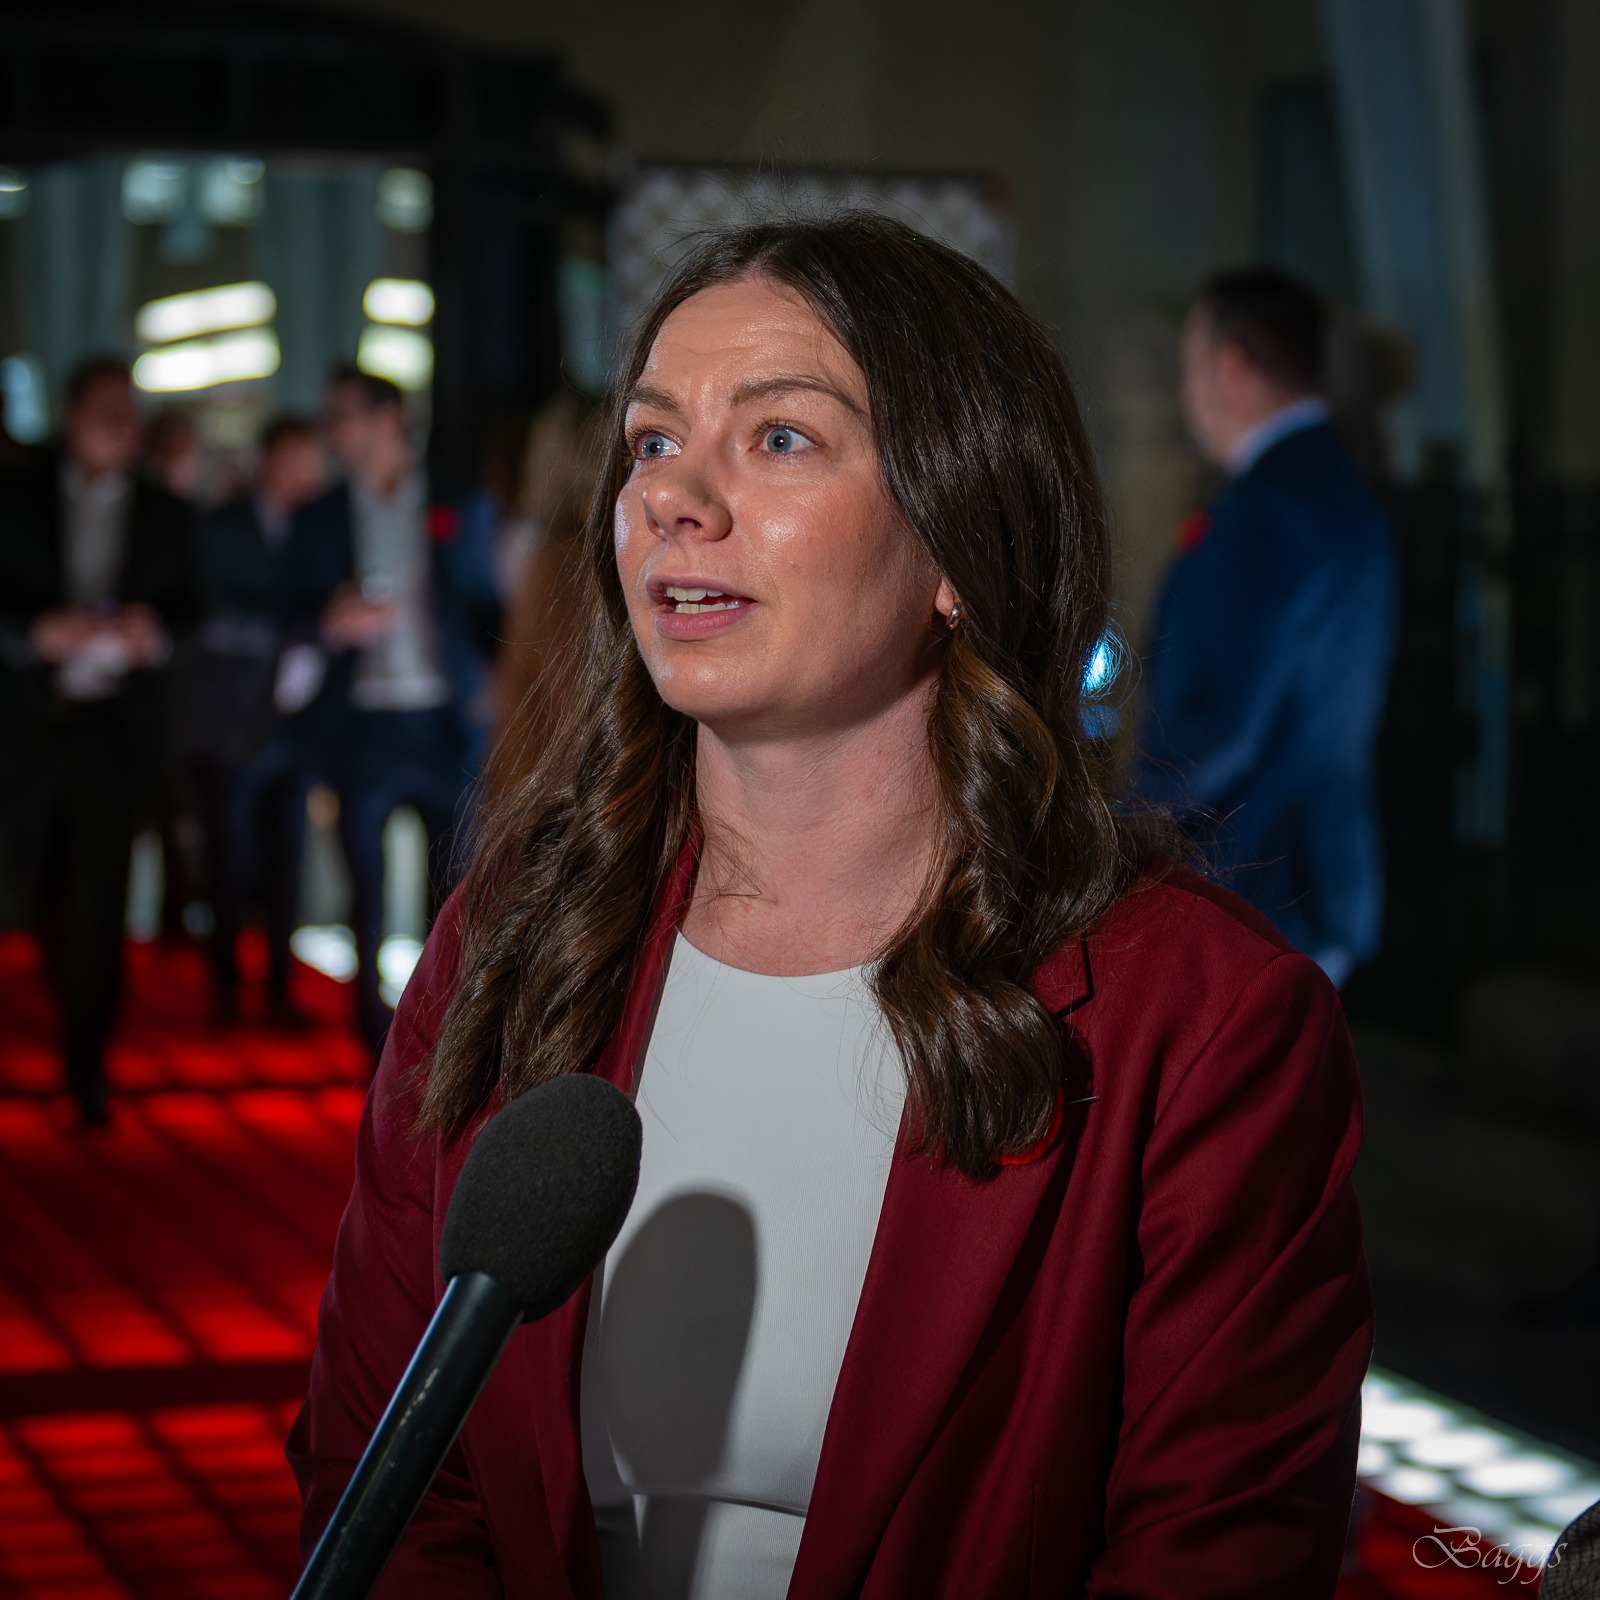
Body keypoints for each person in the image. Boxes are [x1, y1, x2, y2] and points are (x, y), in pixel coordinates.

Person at [288, 216, 1372, 1597]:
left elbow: (1213, 1555)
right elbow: (383, 1476)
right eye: (653, 440)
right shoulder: (510, 934)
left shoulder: (1204, 1023)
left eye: (781, 437)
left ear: (959, 541)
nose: (676, 497)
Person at [1135, 269, 1398, 988]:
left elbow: (1220, 726)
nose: (1187, 394)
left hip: (1257, 880)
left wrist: (1122, 827)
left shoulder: (1267, 510)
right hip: (1318, 871)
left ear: (1231, 367)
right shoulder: (1339, 489)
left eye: (1190, 367)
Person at [0, 357, 196, 1123]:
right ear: (70, 415)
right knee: (36, 892)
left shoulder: (165, 510)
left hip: (117, 730)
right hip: (29, 727)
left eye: (129, 407)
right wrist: (34, 634)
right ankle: (56, 1009)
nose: (121, 422)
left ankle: (88, 1062)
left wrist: (155, 633)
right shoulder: (16, 496)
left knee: (100, 900)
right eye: (106, 407)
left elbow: (194, 612)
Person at [286, 367, 500, 1059]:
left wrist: (499, 679)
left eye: (344, 414)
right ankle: (374, 1052)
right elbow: (287, 613)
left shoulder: (457, 502)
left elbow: (488, 603)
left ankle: (447, 1042)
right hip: (360, 724)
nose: (332, 431)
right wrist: (328, 622)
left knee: (456, 895)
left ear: (389, 419)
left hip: (444, 723)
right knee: (366, 896)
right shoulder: (318, 516)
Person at [184, 416, 327, 1026]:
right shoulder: (221, 526)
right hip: (231, 723)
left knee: (289, 859)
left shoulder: (321, 529)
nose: (306, 477)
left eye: (313, 465)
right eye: (295, 463)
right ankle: (223, 987)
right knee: (230, 857)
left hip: (299, 725)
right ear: (268, 462)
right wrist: (305, 628)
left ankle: (278, 991)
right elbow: (211, 617)